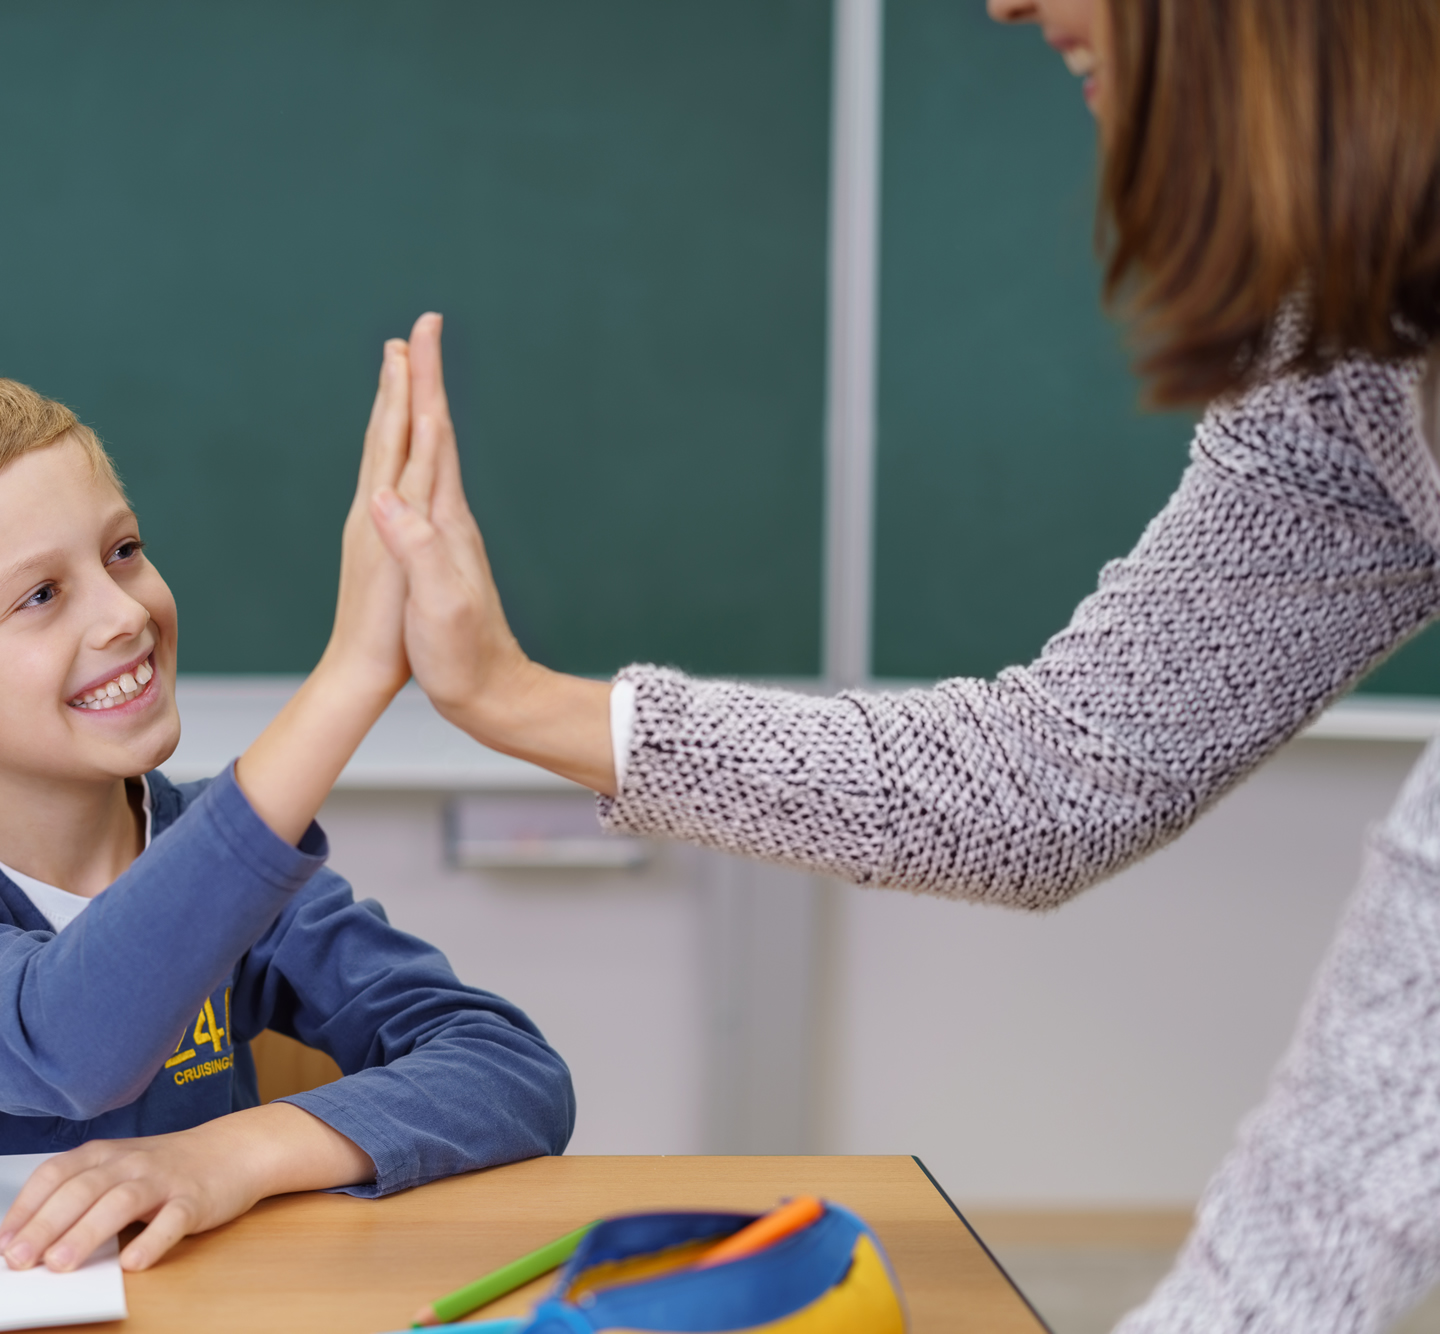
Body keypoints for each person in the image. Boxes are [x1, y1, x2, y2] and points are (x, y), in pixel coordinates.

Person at [364, 1, 1440, 1330]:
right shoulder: (1347, 345)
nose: (1001, 5)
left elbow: (1339, 1180)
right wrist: (511, 697)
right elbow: (1057, 775)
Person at [0, 359, 574, 1276]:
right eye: (40, 595)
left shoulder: (216, 868)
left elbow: (510, 1071)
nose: (123, 613)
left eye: (122, 552)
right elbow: (64, 1044)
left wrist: (233, 1155)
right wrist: (350, 676)